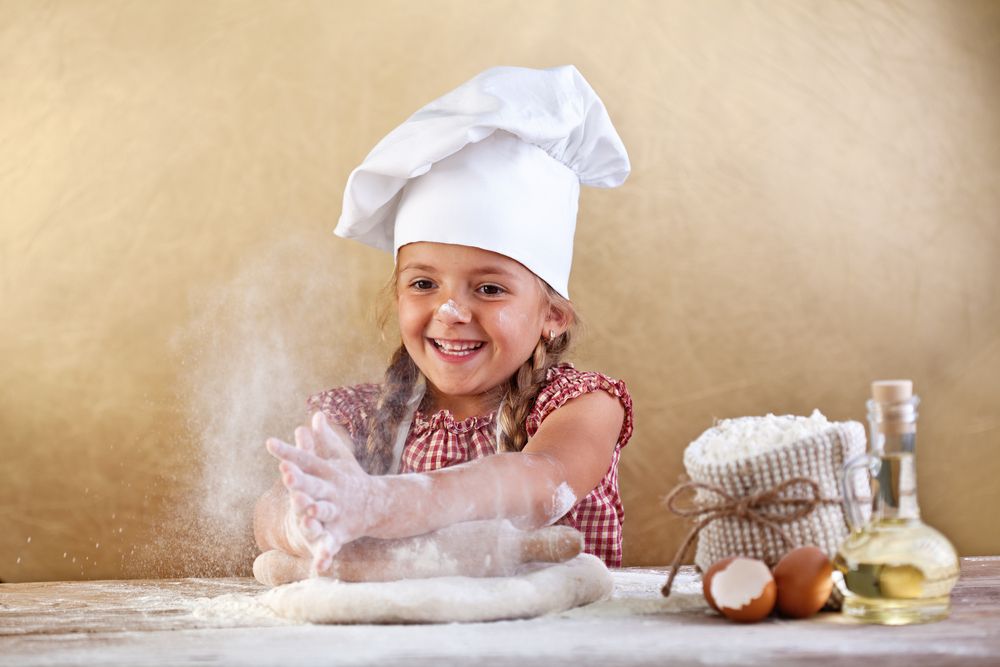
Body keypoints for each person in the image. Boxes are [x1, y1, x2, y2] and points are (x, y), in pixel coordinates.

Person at [253, 65, 634, 579]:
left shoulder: (580, 407)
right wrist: (308, 518)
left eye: (490, 288)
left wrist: (384, 505)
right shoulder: (358, 416)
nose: (451, 313)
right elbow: (274, 509)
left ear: (553, 316)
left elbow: (540, 481)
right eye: (423, 284)